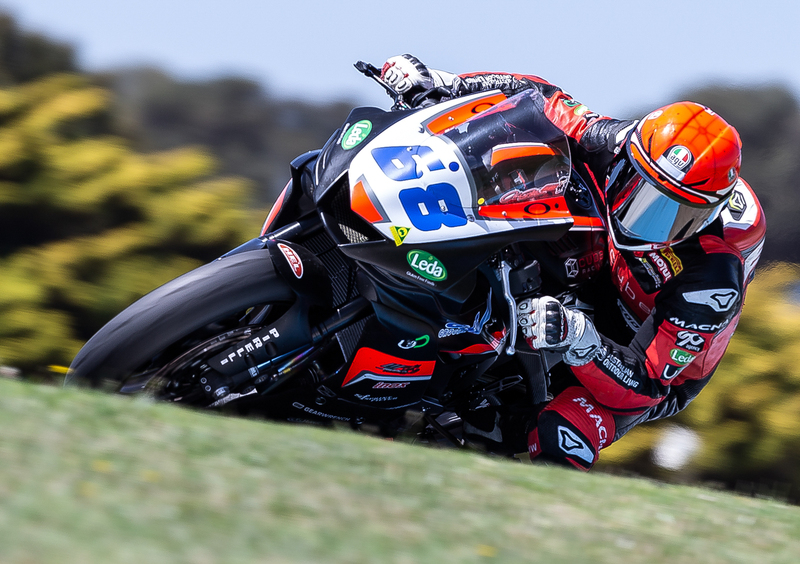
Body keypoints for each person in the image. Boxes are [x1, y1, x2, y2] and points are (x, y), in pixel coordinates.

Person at [381, 54, 767, 470]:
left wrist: (581, 339)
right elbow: (536, 95)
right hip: (601, 275)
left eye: (674, 214)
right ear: (629, 156)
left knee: (559, 437)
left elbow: (649, 384)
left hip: (642, 357)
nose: (643, 221)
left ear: (706, 215)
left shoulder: (711, 280)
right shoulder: (614, 139)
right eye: (638, 190)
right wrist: (445, 84)